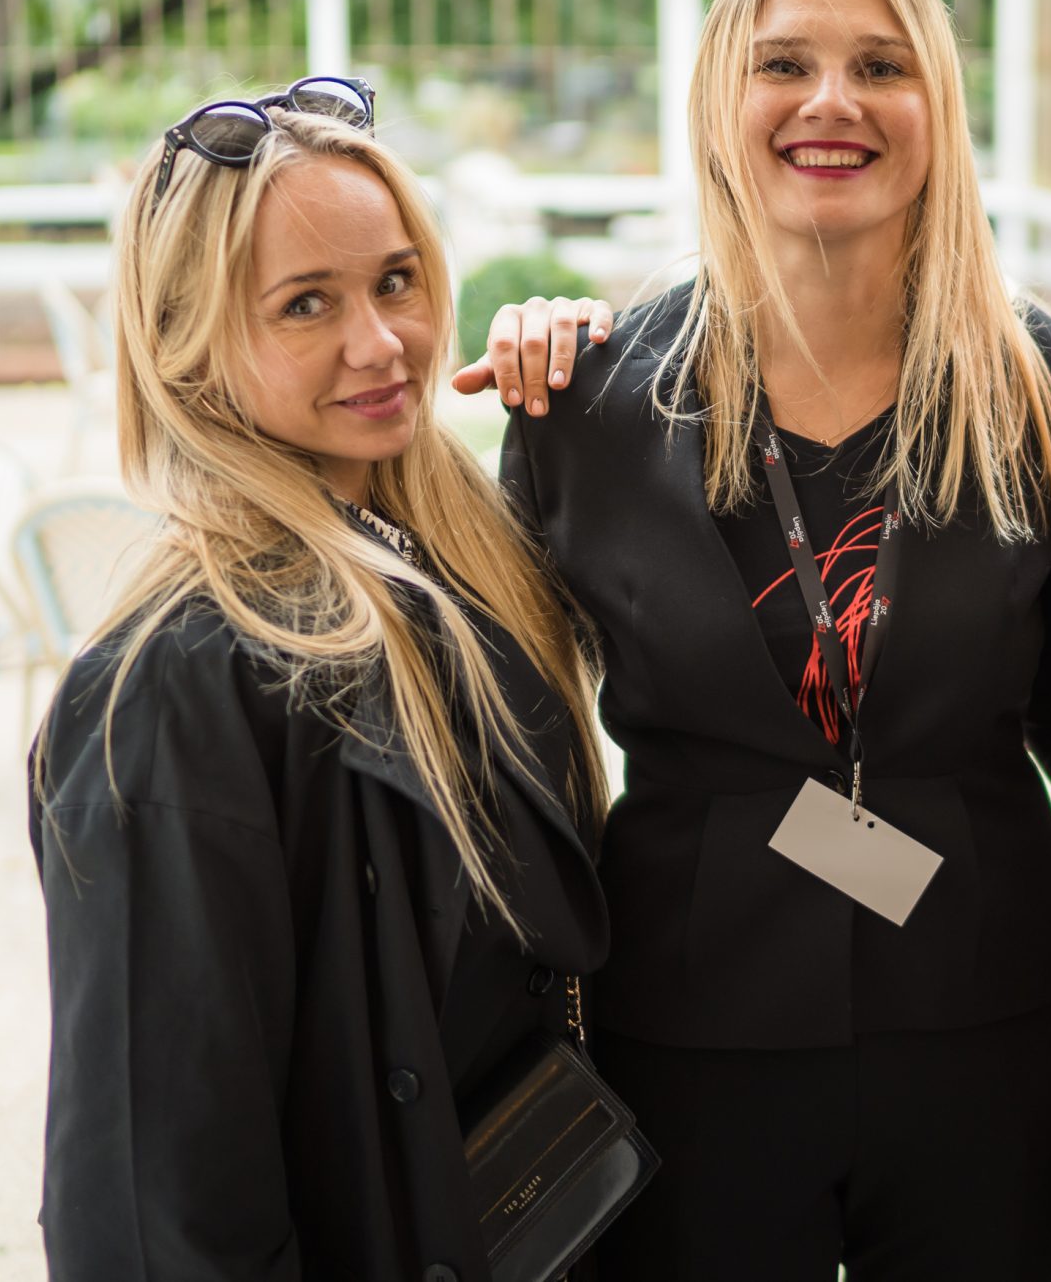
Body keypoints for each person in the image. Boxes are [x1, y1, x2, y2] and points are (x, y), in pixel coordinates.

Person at [456, 0, 1051, 1281]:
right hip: (690, 1041)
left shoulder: (1042, 387)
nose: (831, 102)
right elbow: (510, 748)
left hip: (983, 1030)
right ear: (716, 104)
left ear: (938, 106)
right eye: (784, 64)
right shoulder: (589, 404)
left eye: (882, 66)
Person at [32, 79, 614, 1281]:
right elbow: (154, 1193)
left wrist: (592, 377)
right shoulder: (167, 686)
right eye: (306, 303)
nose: (380, 342)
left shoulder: (459, 564)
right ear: (188, 346)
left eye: (396, 281)